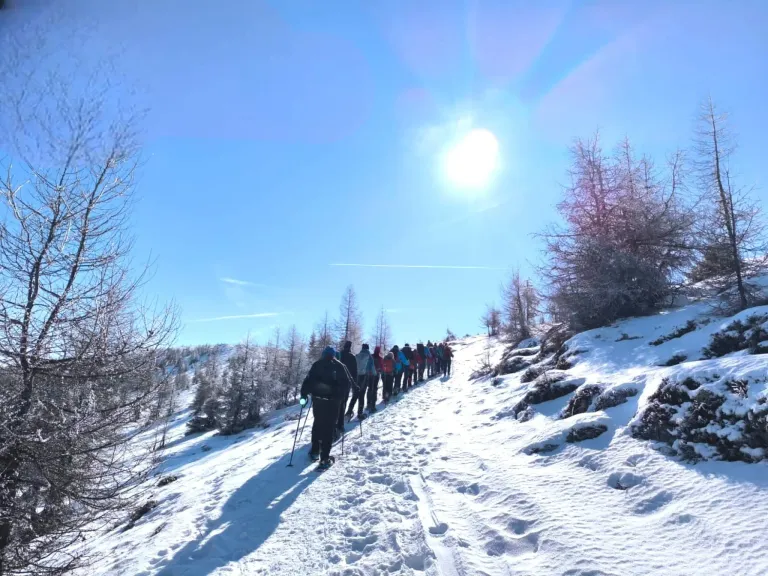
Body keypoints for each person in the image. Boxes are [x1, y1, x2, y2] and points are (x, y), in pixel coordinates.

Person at [300, 346, 356, 468]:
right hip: (333, 402)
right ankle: (324, 458)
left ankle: (314, 451)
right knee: (329, 427)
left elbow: (307, 381)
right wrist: (340, 398)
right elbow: (346, 385)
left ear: (323, 354)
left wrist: (303, 397)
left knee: (318, 423)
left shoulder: (317, 365)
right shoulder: (339, 366)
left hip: (318, 401)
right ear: (334, 355)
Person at [347, 343, 375, 420]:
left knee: (355, 394)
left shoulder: (357, 356)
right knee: (361, 395)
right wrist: (374, 374)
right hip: (364, 377)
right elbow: (372, 367)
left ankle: (349, 411)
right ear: (368, 349)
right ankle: (360, 413)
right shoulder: (369, 357)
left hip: (356, 377)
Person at [337, 341, 358, 433]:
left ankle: (334, 422)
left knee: (336, 402)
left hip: (336, 382)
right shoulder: (352, 357)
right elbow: (354, 372)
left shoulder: (339, 355)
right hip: (346, 382)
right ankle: (340, 425)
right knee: (343, 402)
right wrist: (355, 384)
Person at [369, 346, 383, 412]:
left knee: (369, 389)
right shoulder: (380, 358)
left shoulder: (371, 356)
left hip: (370, 375)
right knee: (374, 389)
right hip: (376, 375)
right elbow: (382, 367)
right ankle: (373, 405)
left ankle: (368, 403)